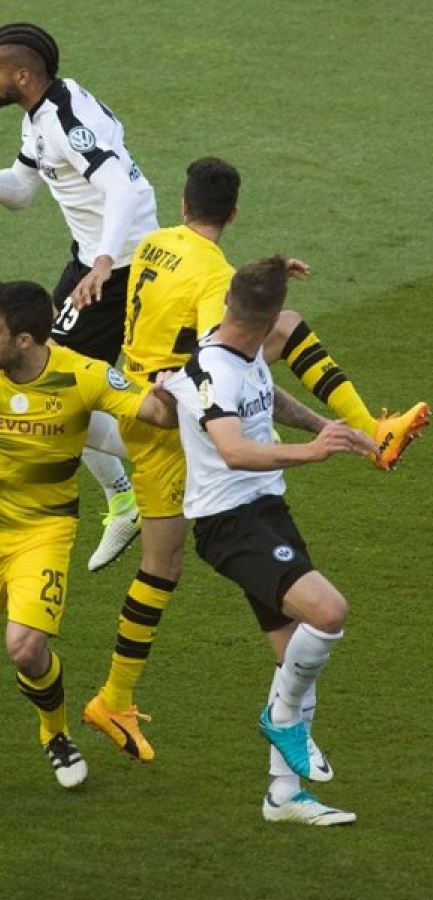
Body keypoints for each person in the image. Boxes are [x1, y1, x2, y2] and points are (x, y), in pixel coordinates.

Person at [83, 158, 429, 763]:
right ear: (235, 212)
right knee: (287, 328)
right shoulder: (215, 279)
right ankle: (373, 429)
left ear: (183, 203)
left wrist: (265, 280)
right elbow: (225, 353)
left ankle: (114, 698)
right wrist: (318, 430)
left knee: (160, 567)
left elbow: (214, 297)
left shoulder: (157, 242)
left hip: (142, 404)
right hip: (178, 419)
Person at [0, 280, 175, 790]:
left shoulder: (83, 375)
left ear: (26, 340)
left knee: (27, 648)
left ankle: (56, 735)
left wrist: (173, 391)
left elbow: (157, 414)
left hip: (45, 529)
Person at [0, 22, 159, 572]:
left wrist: (101, 263)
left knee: (47, 381)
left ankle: (173, 460)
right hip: (96, 261)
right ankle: (133, 490)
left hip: (120, 269)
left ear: (22, 75)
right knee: (54, 382)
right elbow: (19, 193)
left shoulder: (65, 120)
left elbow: (123, 188)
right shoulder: (41, 116)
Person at [165, 256, 377, 824]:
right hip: (230, 522)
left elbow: (269, 398)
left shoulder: (244, 347)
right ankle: (280, 720)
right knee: (328, 613)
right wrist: (312, 452)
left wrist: (329, 429)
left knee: (294, 657)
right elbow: (233, 450)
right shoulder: (214, 369)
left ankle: (283, 795)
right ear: (269, 319)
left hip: (266, 512)